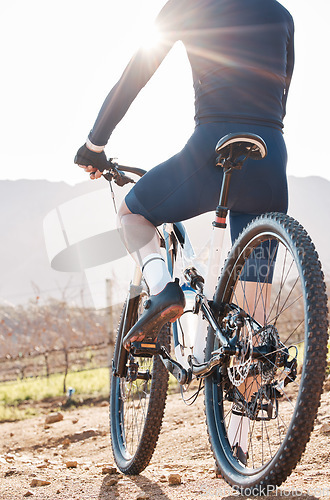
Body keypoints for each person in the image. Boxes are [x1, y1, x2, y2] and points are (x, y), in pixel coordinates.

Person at [74, 0, 294, 353]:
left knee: (132, 214)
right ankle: (253, 398)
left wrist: (94, 144)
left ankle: (163, 291)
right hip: (270, 158)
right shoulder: (282, 14)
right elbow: (281, 95)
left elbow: (136, 73)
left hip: (212, 147)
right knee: (255, 324)